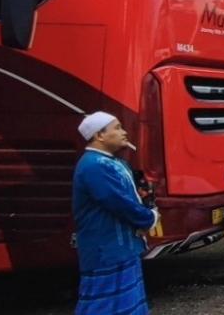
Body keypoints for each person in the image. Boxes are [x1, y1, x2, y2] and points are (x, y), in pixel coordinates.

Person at [72, 111, 159, 315]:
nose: (124, 132)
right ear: (99, 135)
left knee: (126, 301)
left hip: (122, 245)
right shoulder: (94, 165)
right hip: (106, 247)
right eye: (117, 128)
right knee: (101, 303)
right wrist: (149, 217)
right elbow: (118, 202)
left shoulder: (112, 162)